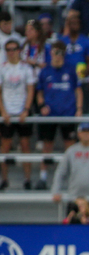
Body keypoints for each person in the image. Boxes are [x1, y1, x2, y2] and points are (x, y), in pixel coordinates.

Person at [36, 41, 83, 190]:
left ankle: (72, 178)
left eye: (58, 53)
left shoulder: (70, 70)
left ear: (63, 54)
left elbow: (78, 90)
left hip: (67, 113)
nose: (55, 56)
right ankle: (43, 178)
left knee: (70, 147)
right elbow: (39, 92)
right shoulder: (45, 71)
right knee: (47, 146)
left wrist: (79, 108)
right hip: (50, 115)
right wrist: (42, 105)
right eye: (53, 52)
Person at [0, 39, 35, 190]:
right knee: (5, 147)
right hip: (7, 111)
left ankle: (27, 179)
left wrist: (26, 109)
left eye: (14, 49)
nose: (11, 52)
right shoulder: (2, 69)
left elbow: (31, 90)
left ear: (19, 50)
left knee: (25, 146)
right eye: (8, 49)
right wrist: (3, 111)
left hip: (22, 111)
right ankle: (4, 179)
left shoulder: (26, 68)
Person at [60, 14, 89, 78]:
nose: (75, 25)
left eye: (77, 23)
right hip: (65, 74)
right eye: (73, 23)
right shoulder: (62, 41)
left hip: (81, 74)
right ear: (68, 25)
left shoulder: (86, 41)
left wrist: (86, 71)